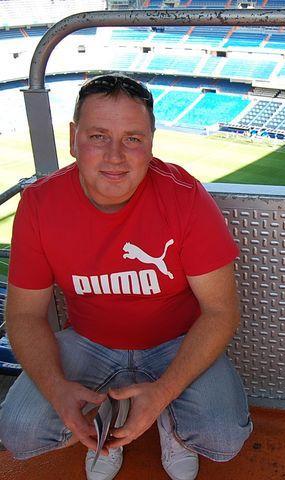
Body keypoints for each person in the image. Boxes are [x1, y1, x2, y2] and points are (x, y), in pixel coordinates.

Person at [0, 73, 252, 480]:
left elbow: (221, 312)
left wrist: (163, 393)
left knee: (223, 439)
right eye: (98, 136)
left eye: (132, 139)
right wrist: (57, 391)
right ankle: (108, 420)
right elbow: (24, 315)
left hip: (175, 342)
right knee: (19, 432)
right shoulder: (40, 204)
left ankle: (167, 420)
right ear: (73, 138)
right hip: (88, 341)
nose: (115, 156)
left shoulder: (185, 197)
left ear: (150, 143)